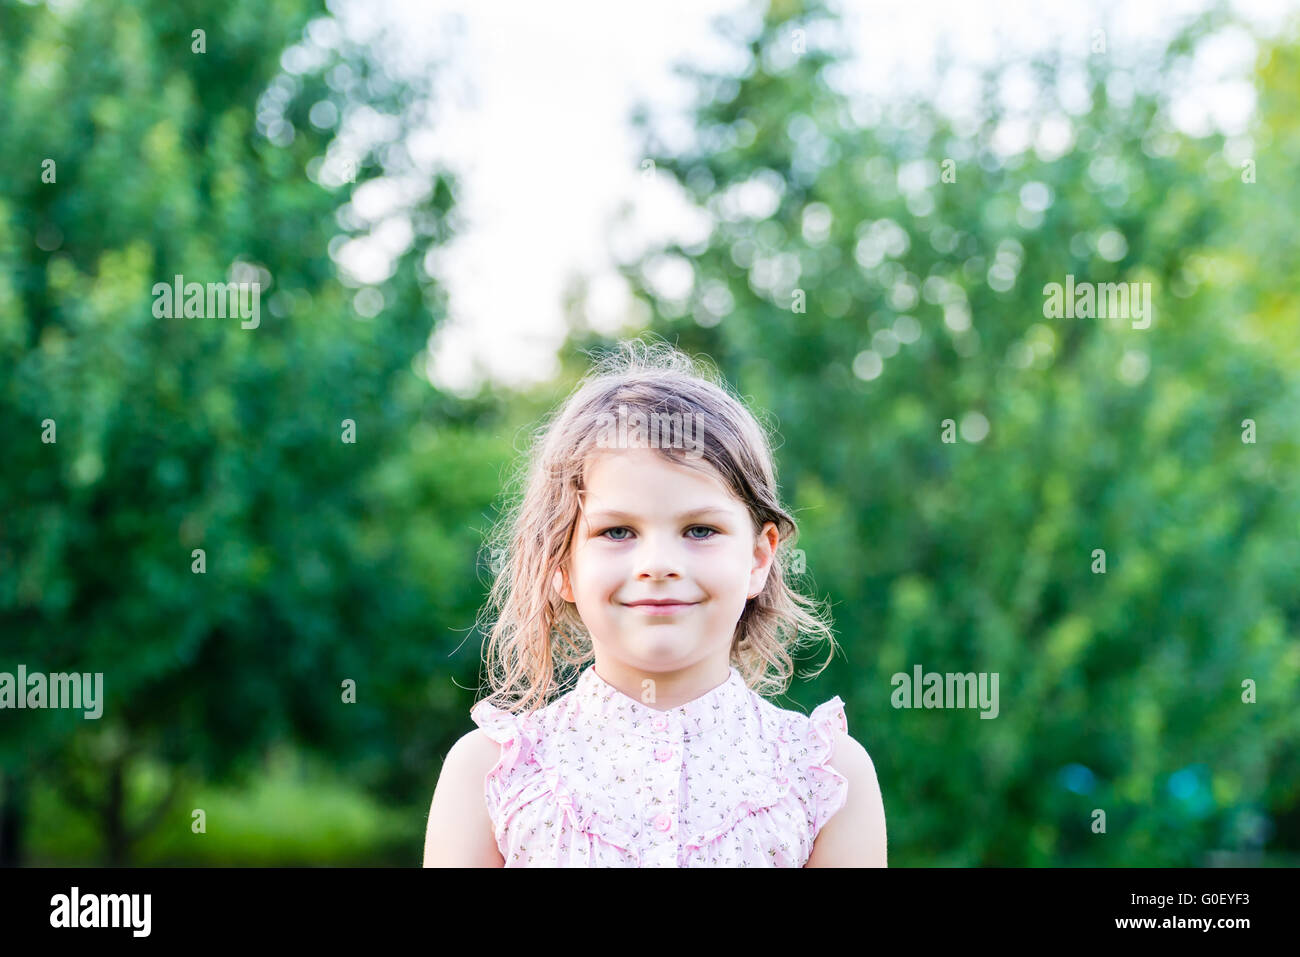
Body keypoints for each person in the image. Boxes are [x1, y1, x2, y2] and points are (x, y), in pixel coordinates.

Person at [423, 337, 886, 867]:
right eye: (617, 531)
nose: (659, 564)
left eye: (700, 530)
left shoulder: (824, 776)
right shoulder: (492, 774)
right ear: (560, 565)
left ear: (759, 558)